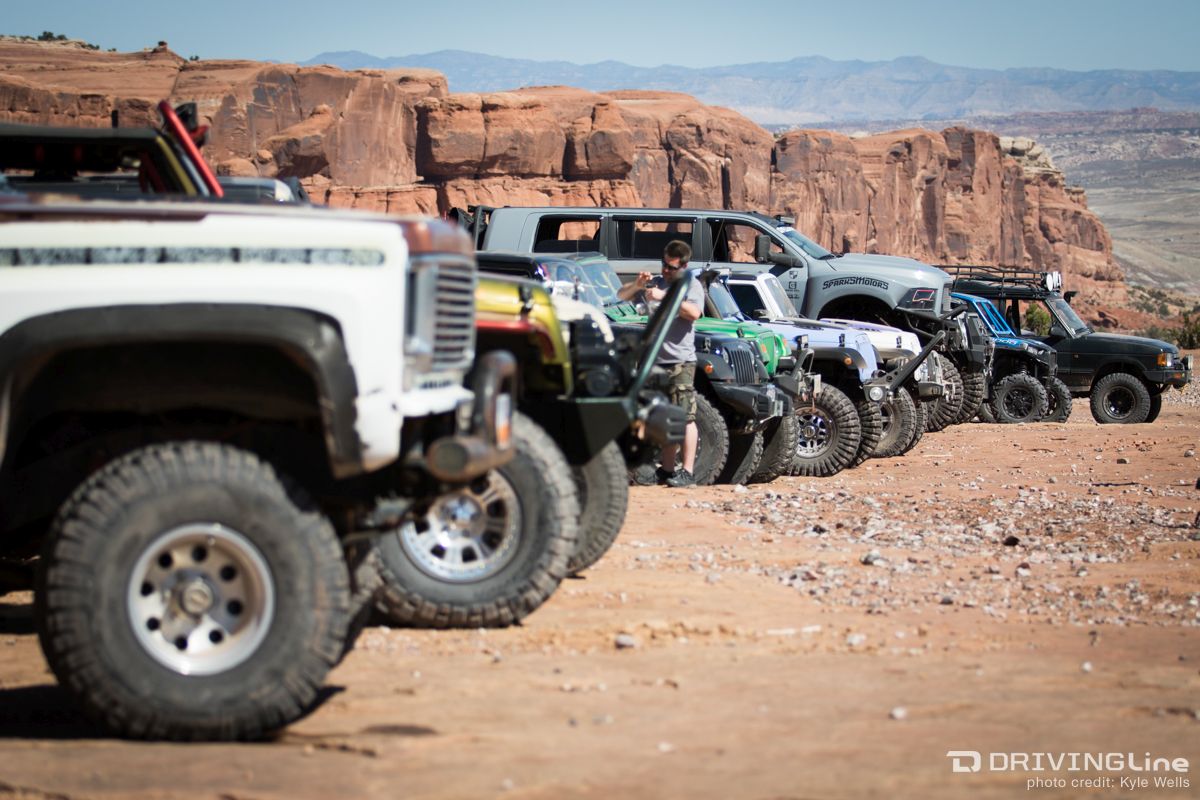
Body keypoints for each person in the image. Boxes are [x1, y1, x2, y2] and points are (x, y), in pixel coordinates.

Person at [617, 240, 703, 487]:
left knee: (685, 417)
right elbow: (620, 296)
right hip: (656, 362)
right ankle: (665, 470)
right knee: (665, 418)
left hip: (680, 361)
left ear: (683, 266)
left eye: (671, 267)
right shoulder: (657, 282)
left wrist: (664, 297)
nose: (665, 270)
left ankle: (687, 471)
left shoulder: (690, 285)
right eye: (663, 265)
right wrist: (638, 284)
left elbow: (694, 313)